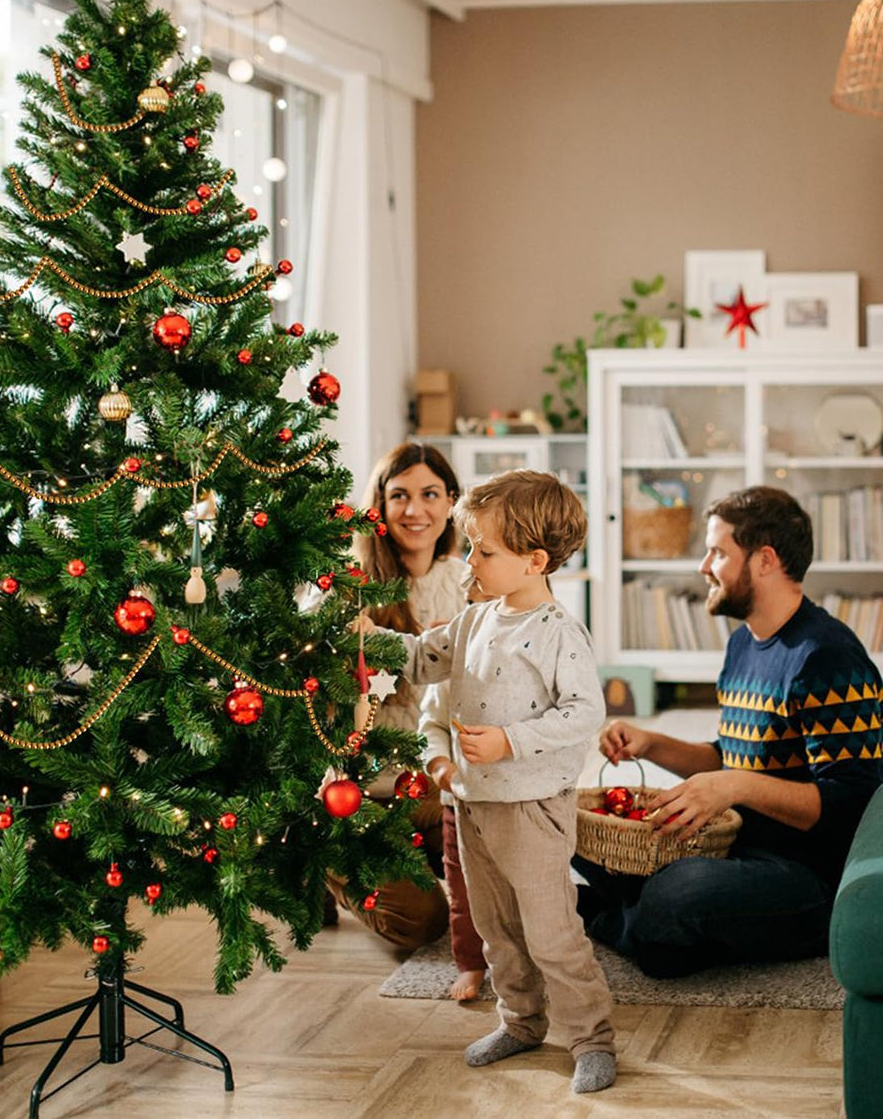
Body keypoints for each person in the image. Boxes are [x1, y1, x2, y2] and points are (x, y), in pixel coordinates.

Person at [361, 469, 617, 1095]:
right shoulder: (476, 620)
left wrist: (509, 741)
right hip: (473, 805)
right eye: (471, 545)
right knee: (495, 926)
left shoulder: (560, 633)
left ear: (535, 560)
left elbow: (584, 712)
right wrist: (369, 640)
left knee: (551, 933)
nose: (470, 559)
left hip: (531, 807)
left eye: (484, 550)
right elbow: (423, 657)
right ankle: (522, 1021)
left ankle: (592, 1038)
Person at [574, 486, 883, 978]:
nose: (703, 566)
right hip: (736, 846)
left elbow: (853, 804)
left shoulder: (827, 656)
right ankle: (644, 923)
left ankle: (604, 916)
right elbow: (733, 755)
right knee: (574, 832)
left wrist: (735, 786)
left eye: (718, 552)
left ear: (764, 560)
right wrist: (652, 743)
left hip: (808, 877)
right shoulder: (743, 644)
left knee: (675, 893)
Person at [341, 443, 487, 994]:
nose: (415, 510)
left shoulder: (468, 579)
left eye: (430, 494)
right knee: (420, 923)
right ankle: (331, 868)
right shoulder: (350, 580)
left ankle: (422, 853)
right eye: (399, 495)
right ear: (379, 503)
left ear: (451, 502)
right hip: (363, 792)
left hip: (437, 785)